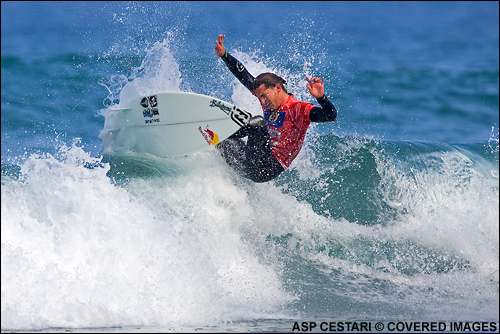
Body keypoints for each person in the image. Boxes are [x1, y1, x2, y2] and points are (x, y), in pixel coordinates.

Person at [214, 34, 338, 183]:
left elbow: (330, 116)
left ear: (277, 88)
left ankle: (219, 131)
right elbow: (244, 75)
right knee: (221, 143)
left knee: (258, 123)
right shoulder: (267, 100)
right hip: (249, 163)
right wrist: (224, 55)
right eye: (259, 97)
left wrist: (321, 98)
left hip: (266, 169)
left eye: (264, 96)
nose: (261, 100)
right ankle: (211, 136)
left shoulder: (299, 109)